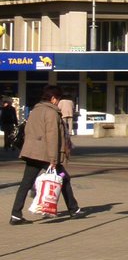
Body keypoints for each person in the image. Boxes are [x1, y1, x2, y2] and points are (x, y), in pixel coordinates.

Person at [10, 85, 82, 224]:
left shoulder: (34, 111)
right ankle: (74, 210)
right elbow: (52, 137)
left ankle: (15, 214)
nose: (58, 102)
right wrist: (53, 160)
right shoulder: (51, 113)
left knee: (25, 184)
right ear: (53, 98)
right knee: (64, 178)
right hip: (46, 155)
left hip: (31, 153)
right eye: (58, 99)